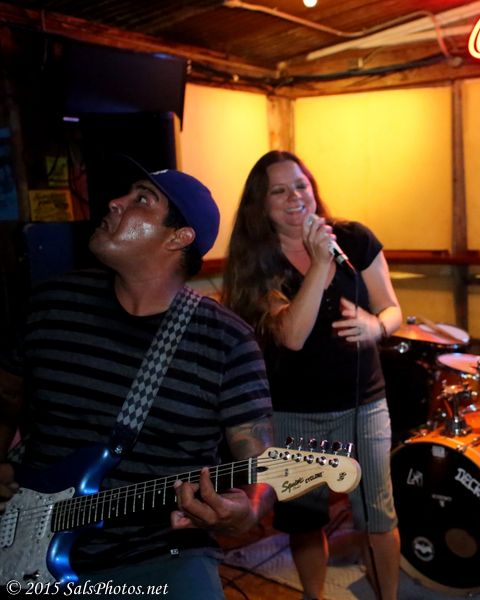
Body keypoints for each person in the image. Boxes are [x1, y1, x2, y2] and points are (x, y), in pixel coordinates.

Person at [0, 157, 275, 598]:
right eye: (126, 193)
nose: (115, 202)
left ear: (178, 237)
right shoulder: (51, 304)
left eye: (142, 199)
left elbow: (261, 466)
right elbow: (6, 397)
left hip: (161, 552)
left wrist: (246, 511)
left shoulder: (227, 341)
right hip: (21, 540)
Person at [221, 150, 403, 600]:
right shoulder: (258, 264)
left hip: (364, 404)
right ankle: (313, 596)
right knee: (305, 521)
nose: (294, 197)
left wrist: (376, 326)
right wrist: (320, 263)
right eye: (278, 191)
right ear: (261, 206)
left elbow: (392, 309)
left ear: (313, 188)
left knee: (378, 518)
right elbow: (292, 336)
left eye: (300, 185)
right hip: (294, 413)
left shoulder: (354, 239)